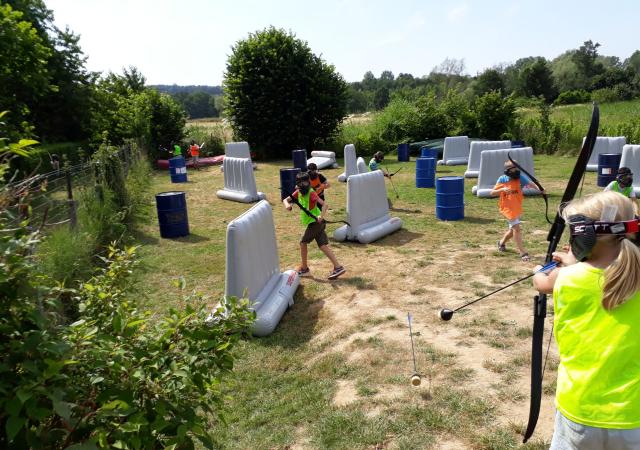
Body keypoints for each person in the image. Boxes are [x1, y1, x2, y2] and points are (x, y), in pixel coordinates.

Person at [532, 191, 640, 450]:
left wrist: (545, 268)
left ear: (582, 236)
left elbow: (541, 281)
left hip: (580, 409)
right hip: (632, 415)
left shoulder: (566, 277)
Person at [283, 172, 346, 280]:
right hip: (316, 224)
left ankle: (304, 269)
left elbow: (325, 205)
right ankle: (338, 267)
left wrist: (321, 216)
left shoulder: (311, 193)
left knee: (303, 243)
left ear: (308, 182)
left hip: (315, 223)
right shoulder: (298, 192)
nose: (303, 185)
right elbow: (285, 200)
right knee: (322, 246)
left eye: (305, 182)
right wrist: (287, 205)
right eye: (300, 183)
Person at [490, 159, 545, 262]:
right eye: (513, 168)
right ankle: (522, 252)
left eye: (517, 168)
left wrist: (540, 189)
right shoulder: (502, 179)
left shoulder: (520, 177)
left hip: (516, 207)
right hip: (507, 208)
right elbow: (492, 193)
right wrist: (502, 190)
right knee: (517, 229)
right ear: (508, 170)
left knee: (512, 230)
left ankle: (501, 243)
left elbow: (531, 183)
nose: (516, 170)